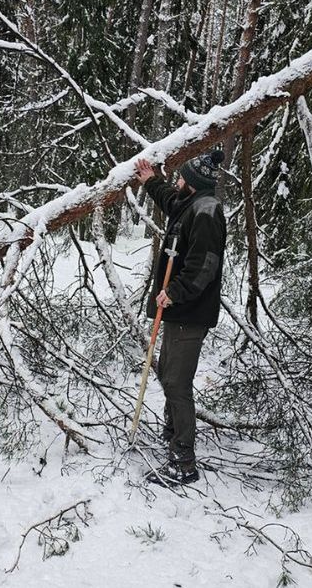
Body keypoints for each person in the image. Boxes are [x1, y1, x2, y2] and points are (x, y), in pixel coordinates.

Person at [134, 150, 226, 486]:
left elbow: (205, 265)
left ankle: (183, 460)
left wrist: (175, 291)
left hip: (189, 312)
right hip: (177, 311)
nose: (177, 182)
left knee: (177, 382)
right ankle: (171, 432)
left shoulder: (207, 212)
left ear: (195, 182)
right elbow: (173, 202)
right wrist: (151, 182)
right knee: (167, 373)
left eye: (182, 178)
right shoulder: (193, 203)